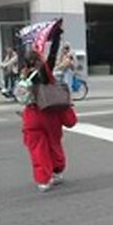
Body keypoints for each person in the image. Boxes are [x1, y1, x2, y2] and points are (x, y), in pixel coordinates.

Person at [19, 49, 77, 192]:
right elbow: (52, 58)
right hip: (50, 113)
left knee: (37, 149)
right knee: (54, 144)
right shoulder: (46, 72)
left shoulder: (24, 75)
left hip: (31, 114)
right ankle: (57, 170)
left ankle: (44, 178)